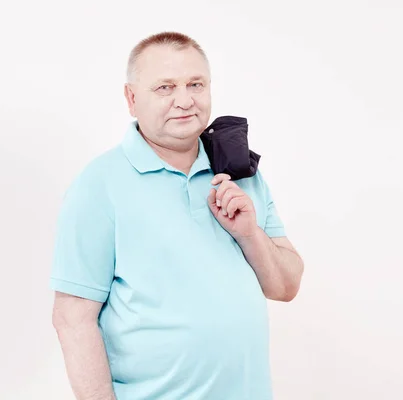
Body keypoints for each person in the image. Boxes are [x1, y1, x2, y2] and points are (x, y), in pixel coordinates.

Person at [50, 31, 304, 400]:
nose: (184, 101)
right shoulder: (99, 185)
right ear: (132, 98)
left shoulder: (240, 172)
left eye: (195, 84)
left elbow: (286, 287)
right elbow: (73, 319)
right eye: (165, 87)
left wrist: (250, 235)